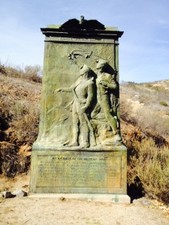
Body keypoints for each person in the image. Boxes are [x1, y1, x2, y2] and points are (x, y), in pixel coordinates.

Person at [56, 64, 96, 148]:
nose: (81, 75)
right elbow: (71, 88)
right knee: (75, 122)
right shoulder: (79, 80)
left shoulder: (90, 83)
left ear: (86, 73)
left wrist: (87, 106)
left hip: (82, 104)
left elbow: (91, 96)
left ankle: (85, 142)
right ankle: (75, 141)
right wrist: (62, 89)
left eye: (82, 74)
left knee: (84, 123)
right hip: (75, 103)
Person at [95, 59, 121, 141]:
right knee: (93, 115)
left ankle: (116, 133)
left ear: (102, 68)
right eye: (97, 68)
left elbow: (114, 86)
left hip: (104, 97)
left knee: (107, 114)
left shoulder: (107, 76)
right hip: (98, 98)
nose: (98, 69)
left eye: (99, 68)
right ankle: (108, 126)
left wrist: (106, 84)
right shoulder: (97, 76)